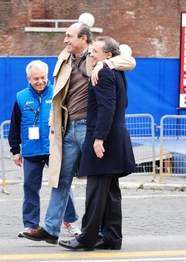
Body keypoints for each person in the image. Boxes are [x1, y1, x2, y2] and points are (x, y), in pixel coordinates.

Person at [22, 23, 136, 244]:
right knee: (61, 179)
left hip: (90, 127)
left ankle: (97, 234)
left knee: (99, 182)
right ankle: (52, 228)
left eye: (69, 36)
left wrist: (105, 63)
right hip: (69, 127)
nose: (65, 40)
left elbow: (129, 60)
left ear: (84, 39)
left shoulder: (98, 57)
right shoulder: (65, 58)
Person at [58, 36, 137, 251]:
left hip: (105, 139)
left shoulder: (102, 73)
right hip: (117, 137)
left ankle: (87, 238)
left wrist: (99, 138)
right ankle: (112, 237)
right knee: (111, 193)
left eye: (95, 51)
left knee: (95, 192)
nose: (90, 54)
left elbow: (106, 108)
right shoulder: (116, 73)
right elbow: (123, 102)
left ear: (108, 55)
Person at [8, 60, 81, 238]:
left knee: (62, 185)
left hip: (54, 149)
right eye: (36, 78)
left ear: (47, 77)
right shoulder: (21, 97)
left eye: (43, 77)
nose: (40, 81)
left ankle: (70, 222)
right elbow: (14, 126)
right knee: (30, 187)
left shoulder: (58, 93)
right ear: (28, 79)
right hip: (31, 151)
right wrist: (15, 150)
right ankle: (31, 225)